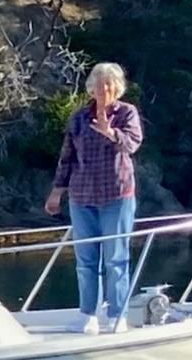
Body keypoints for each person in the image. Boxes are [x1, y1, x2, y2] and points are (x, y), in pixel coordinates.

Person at [45, 62, 144, 334]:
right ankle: (88, 314)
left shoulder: (127, 113)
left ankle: (116, 314)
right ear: (91, 88)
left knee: (115, 259)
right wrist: (56, 192)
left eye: (109, 84)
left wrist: (110, 132)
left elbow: (132, 143)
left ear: (118, 88)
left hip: (117, 195)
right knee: (86, 260)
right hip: (82, 197)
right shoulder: (78, 118)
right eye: (100, 84)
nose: (104, 89)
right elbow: (67, 158)